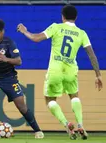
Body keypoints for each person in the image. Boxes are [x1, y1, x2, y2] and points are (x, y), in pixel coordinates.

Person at [17, 4, 103, 140]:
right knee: (74, 96)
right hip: (71, 70)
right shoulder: (82, 33)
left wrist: (24, 31)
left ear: (62, 16)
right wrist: (98, 75)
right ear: (76, 17)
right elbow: (91, 55)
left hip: (55, 70)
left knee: (50, 100)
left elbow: (36, 38)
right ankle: (80, 124)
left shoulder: (56, 27)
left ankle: (66, 124)